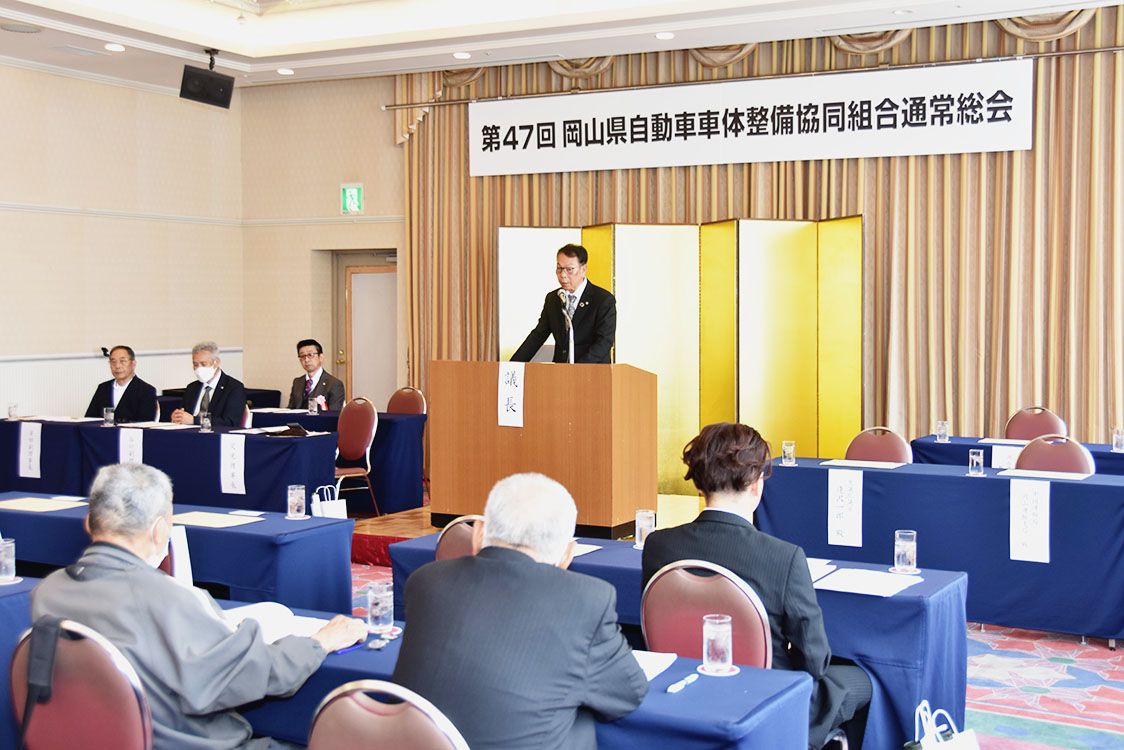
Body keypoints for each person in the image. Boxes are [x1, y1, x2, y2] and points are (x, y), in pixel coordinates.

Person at [31, 463, 367, 749]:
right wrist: (320, 642)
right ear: (160, 530)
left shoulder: (47, 592)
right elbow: (256, 673)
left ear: (89, 523)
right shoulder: (170, 599)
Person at [641, 423, 872, 750]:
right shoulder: (784, 557)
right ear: (756, 483)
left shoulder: (658, 546)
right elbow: (814, 661)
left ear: (700, 483)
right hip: (765, 699)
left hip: (685, 692)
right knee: (864, 680)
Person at [393, 473, 647, 749]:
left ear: (478, 533)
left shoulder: (426, 581)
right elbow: (628, 693)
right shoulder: (587, 598)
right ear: (567, 554)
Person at [511, 243, 616, 364]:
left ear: (583, 269)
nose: (563, 275)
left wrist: (578, 369)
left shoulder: (603, 300)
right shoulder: (553, 298)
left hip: (593, 371)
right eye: (559, 268)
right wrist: (511, 365)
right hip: (561, 371)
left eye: (569, 269)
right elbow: (538, 335)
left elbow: (604, 342)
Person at [170, 341, 247, 427]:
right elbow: (184, 414)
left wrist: (195, 420)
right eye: (195, 364)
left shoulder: (233, 388)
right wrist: (178, 417)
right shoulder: (191, 388)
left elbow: (230, 422)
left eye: (203, 364)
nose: (199, 368)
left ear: (216, 363)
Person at [84, 345, 158, 423]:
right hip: (102, 430)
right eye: (113, 362)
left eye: (122, 361)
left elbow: (145, 423)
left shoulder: (146, 390)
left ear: (133, 364)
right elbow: (90, 419)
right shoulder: (103, 388)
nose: (117, 366)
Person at [286, 339, 345, 411]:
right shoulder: (297, 382)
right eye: (302, 356)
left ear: (321, 357)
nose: (306, 360)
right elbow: (290, 409)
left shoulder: (334, 384)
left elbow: (334, 414)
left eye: (310, 355)